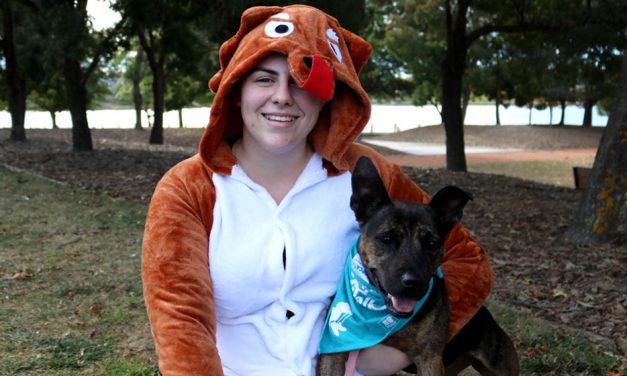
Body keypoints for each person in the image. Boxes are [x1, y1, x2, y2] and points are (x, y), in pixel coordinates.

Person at [142, 4, 493, 375]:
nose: (282, 96)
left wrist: (403, 350)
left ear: (329, 95)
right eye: (264, 79)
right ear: (236, 90)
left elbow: (467, 261)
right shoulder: (190, 188)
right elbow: (180, 320)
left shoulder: (365, 172)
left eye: (301, 81)